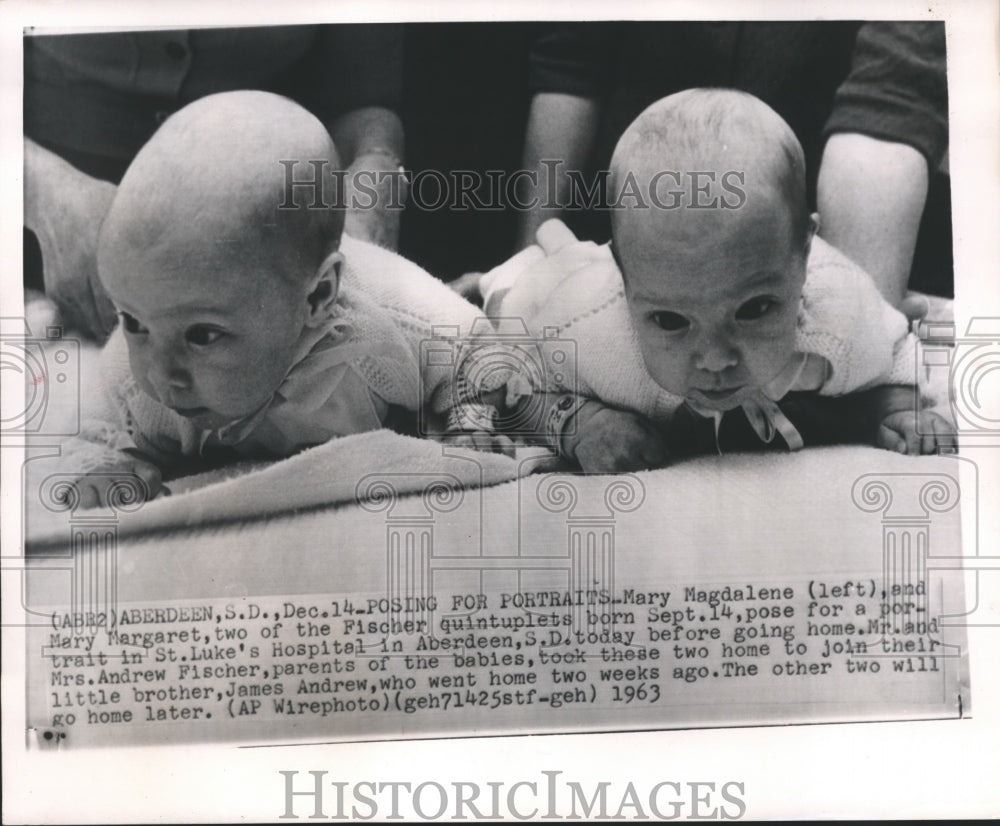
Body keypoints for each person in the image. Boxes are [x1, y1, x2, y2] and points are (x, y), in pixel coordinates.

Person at [62, 91, 510, 508]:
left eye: (201, 335)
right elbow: (87, 433)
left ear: (317, 297)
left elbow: (472, 346)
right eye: (133, 322)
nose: (159, 375)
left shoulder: (385, 314)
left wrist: (470, 416)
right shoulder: (134, 376)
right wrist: (105, 464)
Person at [483, 90, 954, 473]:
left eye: (753, 309)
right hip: (562, 286)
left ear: (804, 255)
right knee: (515, 291)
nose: (715, 359)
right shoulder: (589, 333)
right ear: (625, 279)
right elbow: (510, 392)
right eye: (670, 321)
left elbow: (896, 357)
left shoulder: (839, 318)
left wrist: (897, 407)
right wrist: (581, 423)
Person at [514, 22, 950, 310]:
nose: (713, 363)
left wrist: (859, 333)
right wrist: (524, 272)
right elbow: (572, 60)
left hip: (806, 264)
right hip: (615, 248)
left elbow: (892, 104)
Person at [23, 25, 406, 342]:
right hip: (39, 244)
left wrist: (370, 186)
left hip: (269, 245)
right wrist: (46, 196)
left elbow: (362, 99)